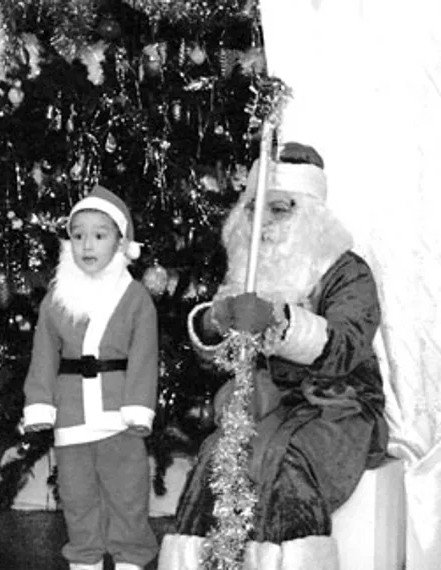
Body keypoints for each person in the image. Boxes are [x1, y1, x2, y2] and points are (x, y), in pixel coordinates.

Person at [157, 143, 389, 569]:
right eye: (253, 209)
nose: (262, 222)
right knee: (215, 458)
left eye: (278, 210)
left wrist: (280, 322)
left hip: (339, 405)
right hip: (266, 404)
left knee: (289, 465)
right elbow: (217, 359)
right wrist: (215, 321)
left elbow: (346, 346)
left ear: (310, 214)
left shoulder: (347, 272)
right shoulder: (248, 269)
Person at [23, 186, 160, 570]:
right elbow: (44, 355)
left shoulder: (135, 297)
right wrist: (40, 403)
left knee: (127, 494)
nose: (87, 245)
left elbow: (145, 357)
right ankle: (85, 560)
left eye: (99, 235)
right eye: (78, 234)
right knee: (77, 496)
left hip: (120, 416)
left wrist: (139, 408)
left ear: (120, 242)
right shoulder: (57, 298)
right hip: (72, 415)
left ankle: (130, 560)